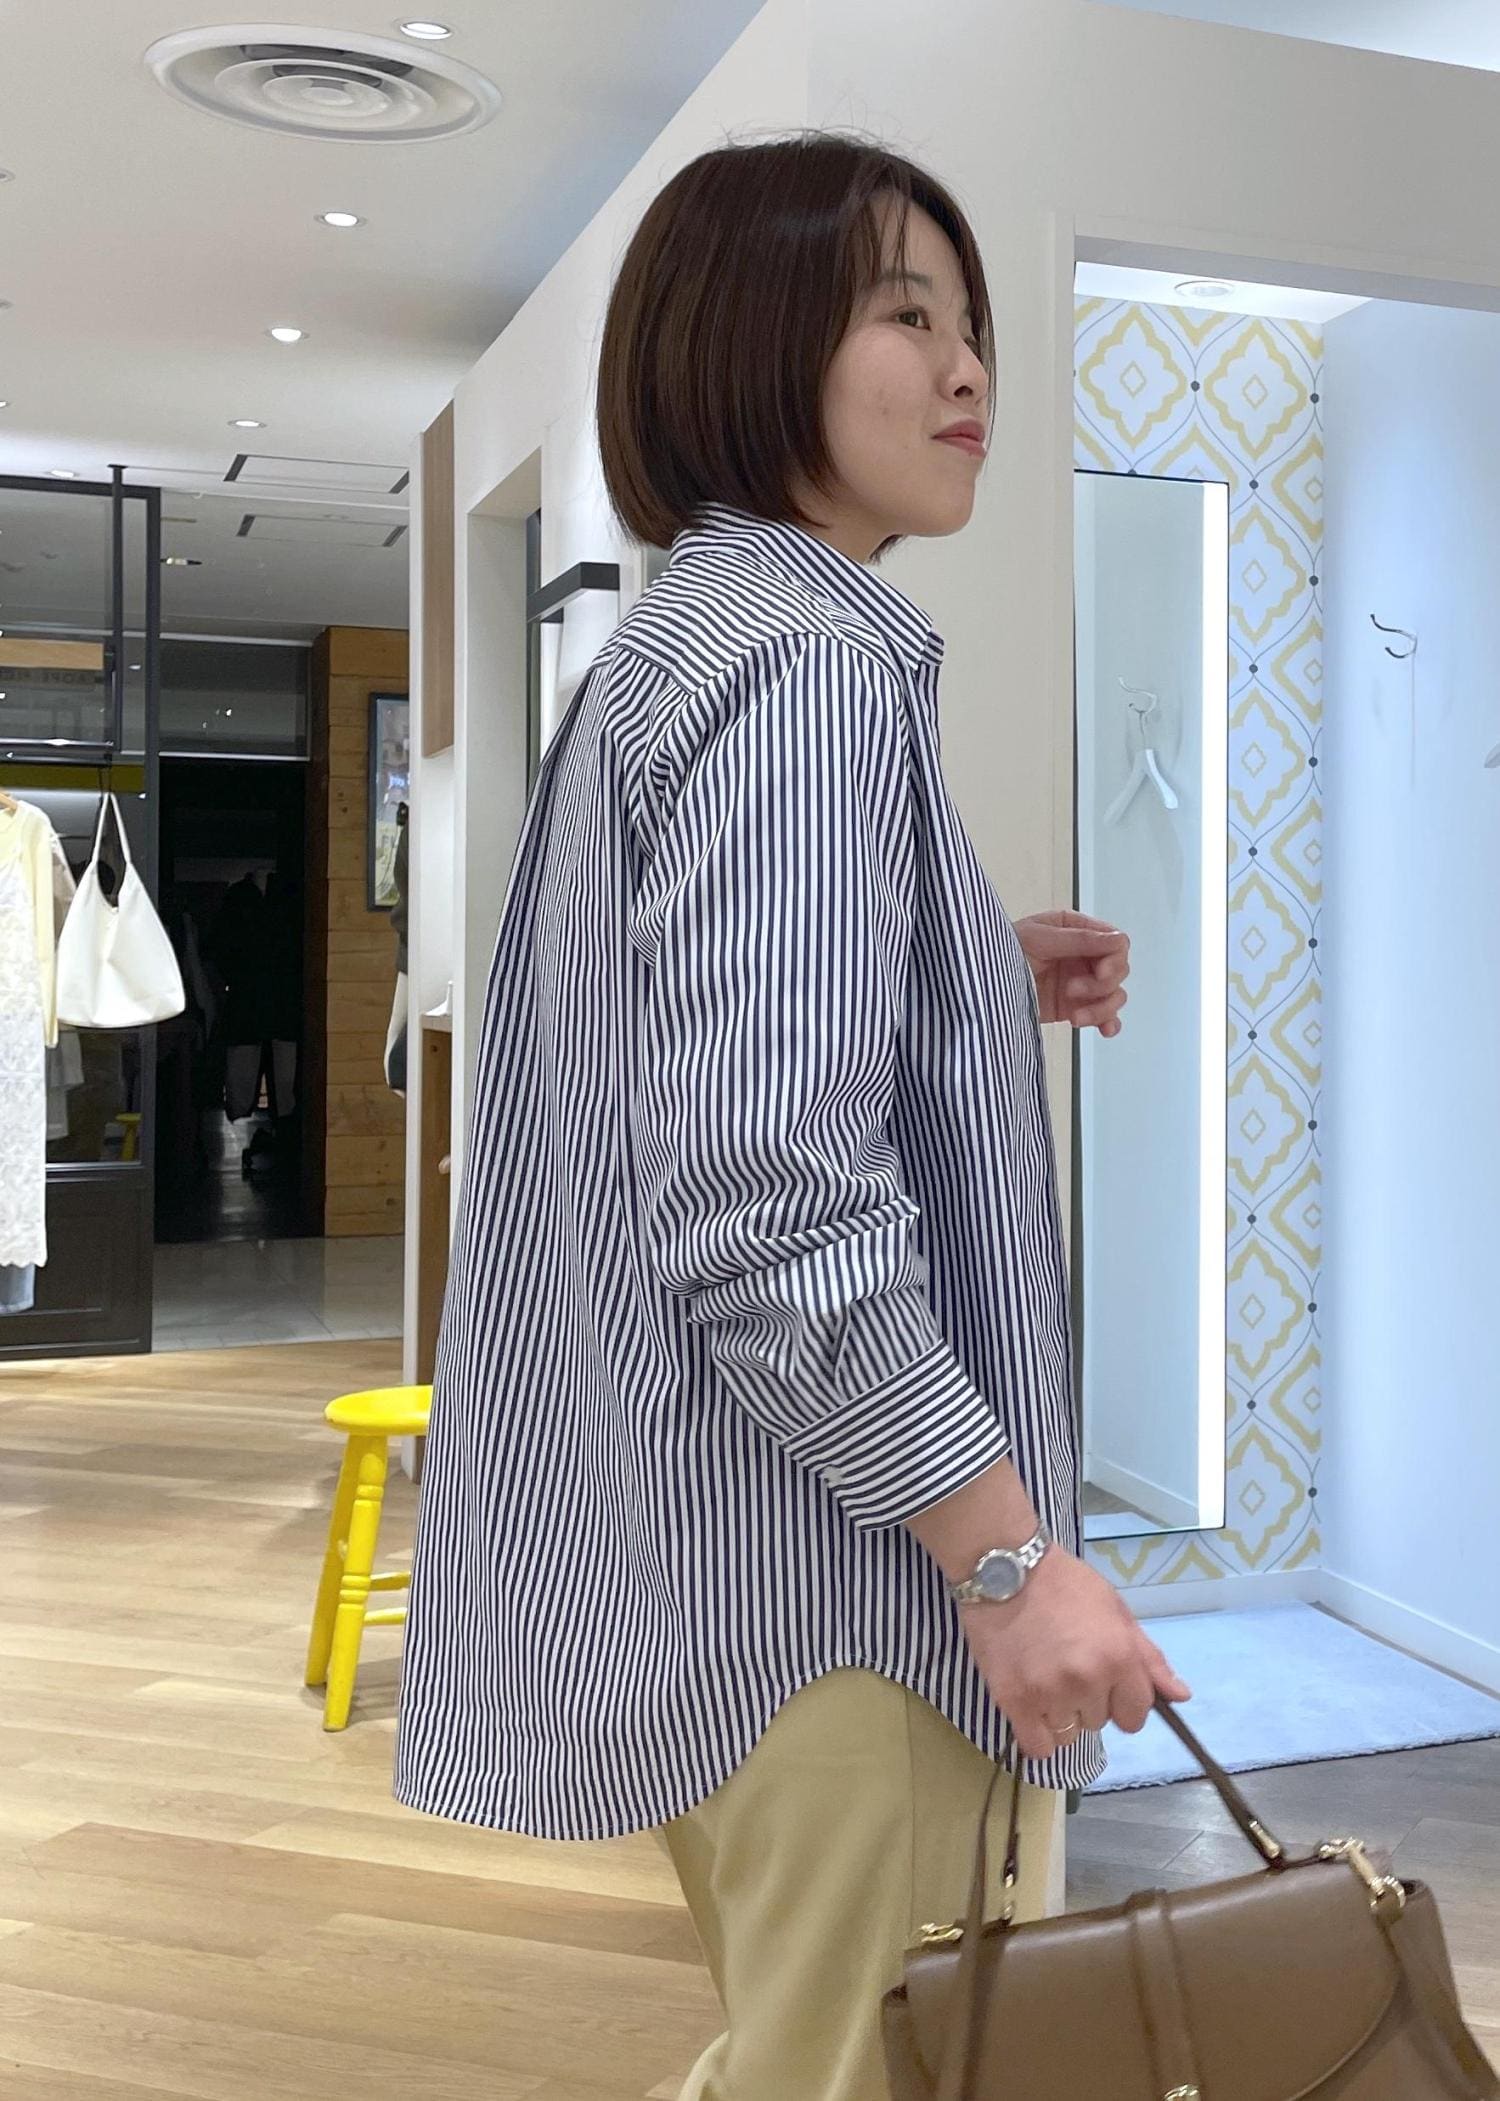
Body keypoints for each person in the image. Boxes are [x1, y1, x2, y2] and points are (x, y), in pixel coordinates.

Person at [395, 132, 1192, 2099]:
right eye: (906, 314)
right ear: (750, 339)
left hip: (718, 1574)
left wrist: (962, 965)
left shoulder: (686, 643)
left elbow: (669, 1066)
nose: (971, 366)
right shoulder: (808, 669)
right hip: (851, 1601)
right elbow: (766, 1199)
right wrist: (1008, 1562)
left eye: (972, 321)